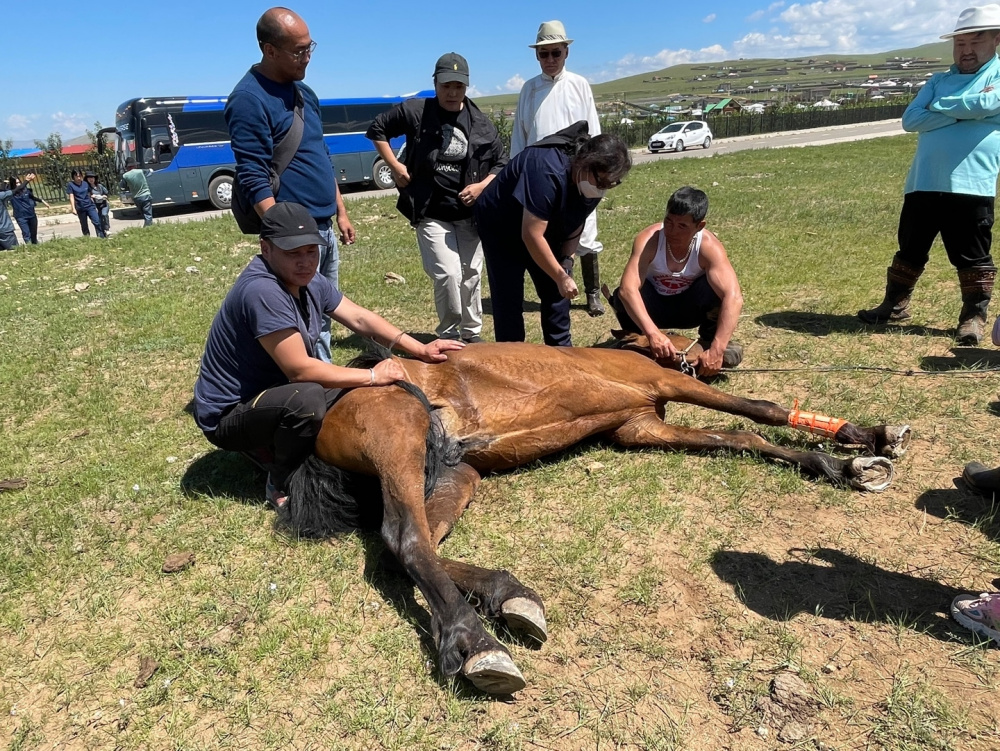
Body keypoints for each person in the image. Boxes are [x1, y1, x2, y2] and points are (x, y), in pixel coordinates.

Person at [192, 202, 463, 507]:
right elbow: (300, 370)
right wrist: (373, 375)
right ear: (265, 249)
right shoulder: (262, 291)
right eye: (293, 253)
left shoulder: (307, 279)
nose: (305, 262)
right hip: (230, 414)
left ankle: (285, 441)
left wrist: (419, 348)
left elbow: (358, 318)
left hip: (274, 390)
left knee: (347, 393)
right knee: (307, 400)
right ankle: (279, 477)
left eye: (312, 251)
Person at [858, 4, 1000, 345]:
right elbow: (911, 120)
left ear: (996, 40)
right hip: (923, 181)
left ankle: (973, 317)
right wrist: (964, 108)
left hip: (972, 183)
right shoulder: (938, 80)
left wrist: (938, 106)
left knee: (972, 255)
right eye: (960, 44)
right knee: (910, 248)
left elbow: (988, 104)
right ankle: (894, 305)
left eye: (975, 42)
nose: (966, 50)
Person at [226, 7, 355, 364]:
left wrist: (341, 211)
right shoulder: (249, 99)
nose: (307, 57)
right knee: (294, 321)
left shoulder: (305, 94)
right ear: (269, 50)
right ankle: (309, 383)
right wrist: (282, 238)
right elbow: (252, 174)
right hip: (293, 238)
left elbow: (321, 155)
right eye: (298, 51)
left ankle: (323, 377)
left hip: (322, 229)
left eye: (309, 47)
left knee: (322, 313)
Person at [366, 53, 508, 343]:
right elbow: (377, 129)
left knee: (471, 274)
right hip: (431, 212)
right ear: (435, 84)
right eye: (446, 86)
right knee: (448, 274)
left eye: (458, 86)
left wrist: (481, 186)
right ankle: (449, 333)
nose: (452, 93)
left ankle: (472, 334)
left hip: (469, 215)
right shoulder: (417, 111)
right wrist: (395, 166)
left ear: (466, 86)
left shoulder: (480, 122)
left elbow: (502, 162)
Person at [474, 125, 630, 346]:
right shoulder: (546, 170)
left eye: (610, 185)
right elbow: (532, 235)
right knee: (509, 297)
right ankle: (511, 355)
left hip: (542, 226)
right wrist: (560, 277)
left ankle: (561, 353)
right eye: (602, 182)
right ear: (584, 163)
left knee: (558, 296)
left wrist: (565, 263)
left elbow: (576, 222)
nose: (603, 189)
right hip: (502, 226)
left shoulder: (592, 182)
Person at [511, 20, 607, 317]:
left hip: (577, 172)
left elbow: (592, 130)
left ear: (566, 52)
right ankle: (558, 286)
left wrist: (595, 168)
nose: (550, 59)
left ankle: (592, 293)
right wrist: (517, 173)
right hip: (540, 176)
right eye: (544, 54)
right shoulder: (529, 89)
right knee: (545, 231)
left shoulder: (579, 85)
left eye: (556, 52)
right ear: (536, 55)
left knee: (584, 229)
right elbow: (520, 136)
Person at [608, 186, 744, 377]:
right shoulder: (649, 240)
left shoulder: (708, 246)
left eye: (682, 226)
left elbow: (733, 297)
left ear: (699, 226)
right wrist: (653, 334)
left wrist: (718, 349)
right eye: (668, 222)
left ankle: (707, 346)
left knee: (715, 291)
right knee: (621, 295)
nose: (672, 231)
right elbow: (627, 290)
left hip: (689, 310)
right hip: (653, 308)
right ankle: (638, 341)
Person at [8, 174, 50, 244]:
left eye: (19, 182)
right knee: (26, 233)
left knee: (33, 233)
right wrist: (27, 180)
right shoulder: (11, 192)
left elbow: (32, 197)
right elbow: (12, 188)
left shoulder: (25, 190)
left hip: (31, 214)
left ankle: (36, 245)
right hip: (21, 217)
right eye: (16, 183)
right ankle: (29, 247)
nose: (18, 184)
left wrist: (42, 201)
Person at [66, 169, 105, 238]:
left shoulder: (85, 183)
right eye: (76, 176)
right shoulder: (71, 185)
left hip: (90, 206)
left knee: (97, 221)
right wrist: (73, 208)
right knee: (84, 225)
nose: (78, 178)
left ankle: (101, 237)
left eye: (80, 176)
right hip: (80, 208)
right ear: (73, 177)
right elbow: (71, 197)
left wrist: (96, 201)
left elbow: (90, 194)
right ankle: (87, 238)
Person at [0, 174, 35, 250]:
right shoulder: (2, 195)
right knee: (14, 250)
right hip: (5, 230)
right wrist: (26, 181)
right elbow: (16, 190)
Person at [120, 158, 153, 226]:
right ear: (135, 165)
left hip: (136, 198)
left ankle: (147, 226)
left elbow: (123, 187)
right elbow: (150, 171)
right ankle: (148, 228)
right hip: (146, 195)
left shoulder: (125, 176)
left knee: (144, 214)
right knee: (148, 215)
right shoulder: (140, 171)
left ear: (127, 167)